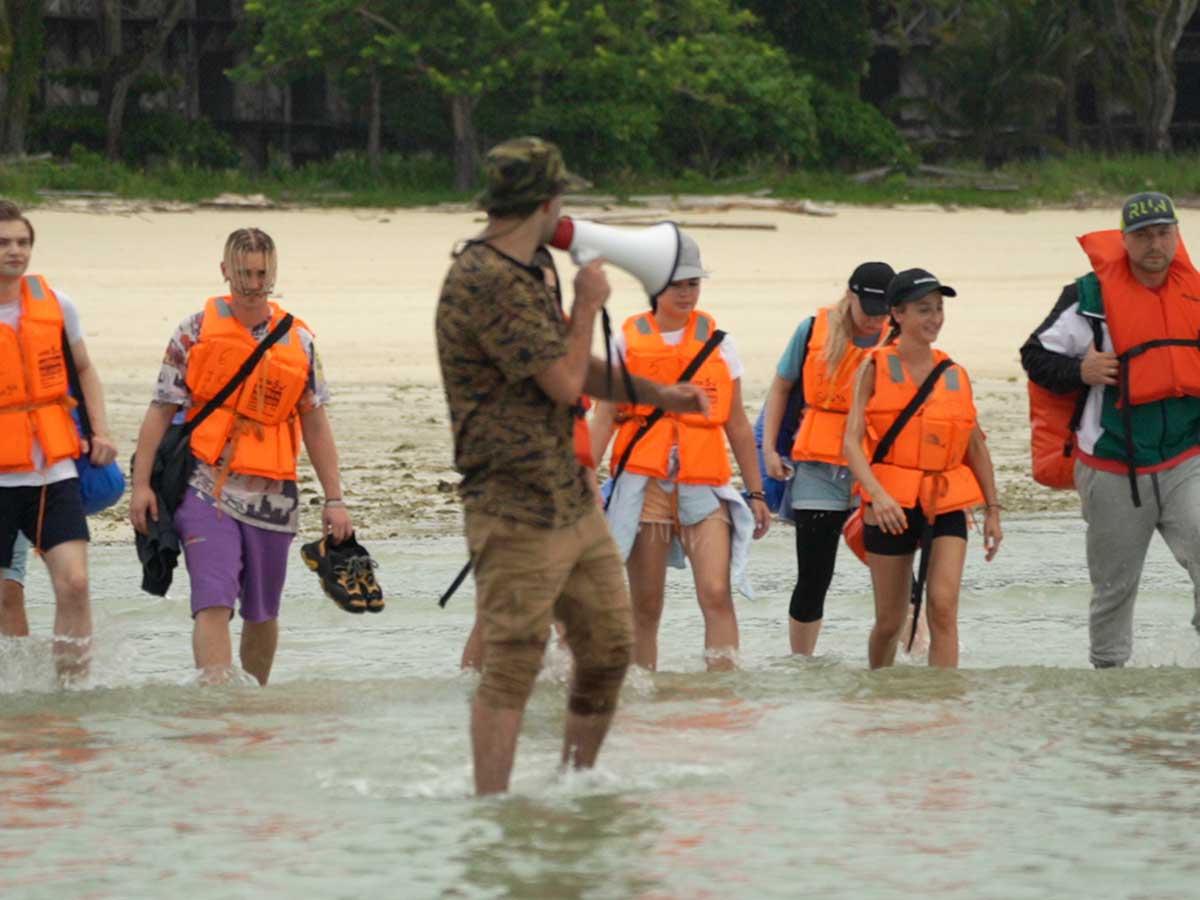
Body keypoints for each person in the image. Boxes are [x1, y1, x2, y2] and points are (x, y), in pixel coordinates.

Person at [435, 136, 708, 795]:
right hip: (511, 499)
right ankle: (494, 811)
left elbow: (569, 360)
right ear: (545, 200)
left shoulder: (530, 270)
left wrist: (655, 393)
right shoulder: (482, 279)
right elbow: (563, 381)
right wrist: (589, 303)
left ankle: (573, 786)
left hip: (566, 492)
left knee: (610, 648)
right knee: (513, 664)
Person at [130, 227, 355, 685]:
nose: (254, 285)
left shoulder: (300, 340)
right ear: (224, 272)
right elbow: (160, 411)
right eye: (244, 274)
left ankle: (252, 709)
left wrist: (335, 499)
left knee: (261, 611)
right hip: (204, 487)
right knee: (212, 599)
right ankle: (218, 704)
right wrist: (140, 485)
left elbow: (315, 423)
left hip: (274, 495)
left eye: (263, 274)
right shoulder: (192, 331)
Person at [1021, 192, 1200, 668]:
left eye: (1163, 233)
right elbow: (1034, 356)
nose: (1154, 244)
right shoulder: (1087, 297)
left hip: (1186, 458)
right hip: (1113, 465)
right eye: (1142, 236)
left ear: (1177, 236)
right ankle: (1109, 693)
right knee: (1114, 590)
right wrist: (1080, 369)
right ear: (1124, 242)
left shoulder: (1195, 293)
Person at [590, 232, 771, 672]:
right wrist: (585, 481)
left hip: (704, 486)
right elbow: (604, 417)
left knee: (715, 591)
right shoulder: (626, 341)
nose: (688, 293)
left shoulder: (720, 343)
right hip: (644, 484)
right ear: (655, 286)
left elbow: (738, 425)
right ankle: (639, 690)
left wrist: (757, 491)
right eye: (678, 284)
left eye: (694, 283)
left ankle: (722, 691)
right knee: (647, 603)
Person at [844, 268, 1003, 669]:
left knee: (944, 607)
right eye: (923, 310)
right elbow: (850, 443)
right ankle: (878, 691)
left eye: (938, 309)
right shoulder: (874, 367)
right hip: (891, 506)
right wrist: (877, 498)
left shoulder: (954, 373)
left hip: (945, 502)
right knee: (890, 621)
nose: (934, 318)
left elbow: (975, 446)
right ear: (897, 314)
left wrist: (993, 511)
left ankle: (944, 704)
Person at [0, 201, 116, 680]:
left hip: (55, 470)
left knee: (76, 583)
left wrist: (101, 430)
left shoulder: (57, 304)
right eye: (4, 243)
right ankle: (14, 694)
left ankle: (71, 694)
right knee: (5, 596)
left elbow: (84, 368)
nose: (15, 252)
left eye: (23, 243)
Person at [758, 262, 893, 656]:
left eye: (884, 310)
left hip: (875, 469)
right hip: (816, 469)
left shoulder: (898, 336)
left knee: (894, 575)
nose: (875, 319)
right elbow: (781, 388)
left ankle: (910, 664)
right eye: (868, 308)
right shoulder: (811, 330)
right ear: (850, 297)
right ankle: (802, 664)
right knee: (814, 577)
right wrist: (769, 450)